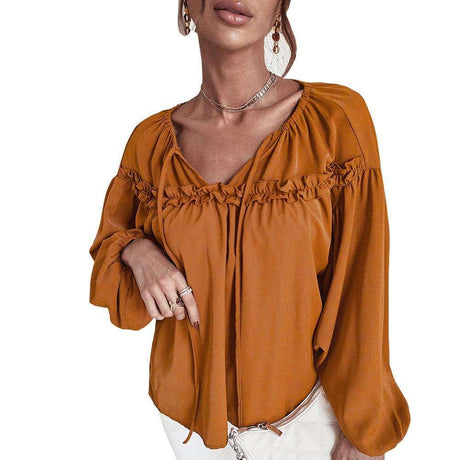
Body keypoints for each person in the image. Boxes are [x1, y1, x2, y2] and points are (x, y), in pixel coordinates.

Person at [88, 0, 411, 459]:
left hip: (311, 426)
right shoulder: (151, 143)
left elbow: (363, 285)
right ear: (186, 6)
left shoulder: (335, 122)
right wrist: (137, 250)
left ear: (279, 8)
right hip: (191, 430)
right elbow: (110, 260)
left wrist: (365, 431)